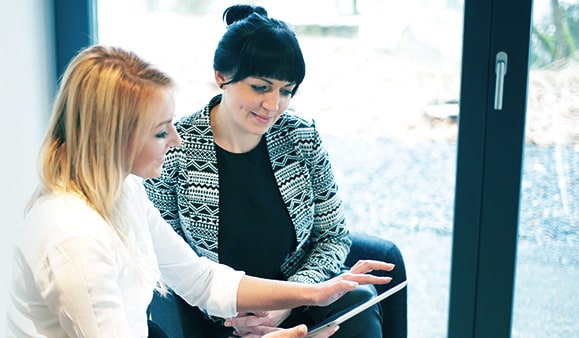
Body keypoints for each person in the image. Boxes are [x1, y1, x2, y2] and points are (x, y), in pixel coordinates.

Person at [5, 44, 395, 338]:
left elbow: (201, 279)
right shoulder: (74, 240)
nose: (176, 141)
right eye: (161, 131)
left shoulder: (123, 191)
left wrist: (312, 294)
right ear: (113, 139)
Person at [143, 4, 391, 338]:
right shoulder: (175, 148)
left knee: (360, 302)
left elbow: (331, 237)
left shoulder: (301, 137)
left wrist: (285, 302)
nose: (273, 105)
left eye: (286, 91)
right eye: (260, 87)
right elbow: (170, 261)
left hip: (300, 300)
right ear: (221, 76)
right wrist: (238, 315)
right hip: (218, 315)